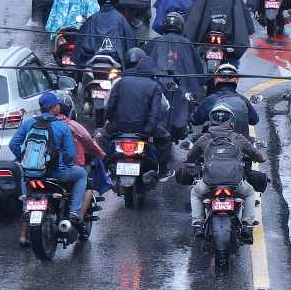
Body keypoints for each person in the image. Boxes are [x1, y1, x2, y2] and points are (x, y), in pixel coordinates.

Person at [10, 90, 89, 229]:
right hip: (56, 173)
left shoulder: (29, 123)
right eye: (57, 105)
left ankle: (26, 208)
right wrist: (65, 165)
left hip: (31, 173)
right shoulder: (62, 127)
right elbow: (70, 154)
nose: (59, 107)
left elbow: (13, 144)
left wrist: (23, 157)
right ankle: (74, 212)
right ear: (54, 108)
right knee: (82, 174)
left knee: (25, 174)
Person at [184, 102, 266, 233]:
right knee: (250, 193)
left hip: (210, 182)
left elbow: (191, 156)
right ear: (231, 121)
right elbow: (256, 154)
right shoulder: (238, 138)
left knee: (196, 193)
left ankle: (198, 223)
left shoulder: (205, 138)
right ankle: (247, 224)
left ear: (211, 120)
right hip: (234, 182)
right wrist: (260, 159)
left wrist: (189, 162)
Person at [102, 46, 174, 171]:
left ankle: (101, 169)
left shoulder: (120, 82)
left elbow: (109, 106)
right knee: (165, 138)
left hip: (118, 127)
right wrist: (148, 129)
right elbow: (156, 112)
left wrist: (110, 121)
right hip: (143, 130)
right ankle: (163, 170)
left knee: (100, 135)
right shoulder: (154, 85)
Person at [145, 9, 203, 136]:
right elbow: (198, 70)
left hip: (159, 85)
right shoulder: (187, 44)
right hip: (180, 88)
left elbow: (143, 62)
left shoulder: (154, 42)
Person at [185, 0, 252, 64]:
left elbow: (193, 18)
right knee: (234, 62)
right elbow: (243, 18)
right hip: (228, 40)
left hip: (205, 38)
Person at [74, 0, 138, 65]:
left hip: (93, 61)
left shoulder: (92, 19)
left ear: (99, 0)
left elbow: (80, 43)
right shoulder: (121, 19)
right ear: (116, 1)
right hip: (115, 60)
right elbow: (131, 42)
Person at [190, 63, 260, 132]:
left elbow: (195, 121)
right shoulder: (243, 100)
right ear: (236, 80)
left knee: (192, 142)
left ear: (216, 80)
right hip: (239, 140)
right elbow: (254, 120)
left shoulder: (210, 100)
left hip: (213, 140)